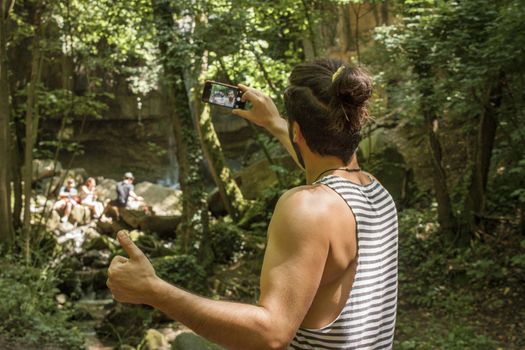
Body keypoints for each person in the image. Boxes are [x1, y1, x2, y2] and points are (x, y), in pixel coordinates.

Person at [107, 59, 398, 349]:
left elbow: (270, 333)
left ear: (298, 132)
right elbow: (322, 165)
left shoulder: (306, 209)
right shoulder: (377, 194)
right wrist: (273, 121)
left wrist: (154, 291)